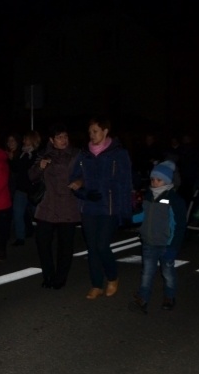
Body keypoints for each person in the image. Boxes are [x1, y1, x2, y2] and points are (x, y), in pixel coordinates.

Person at [68, 117, 133, 299]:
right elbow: (73, 180)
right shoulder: (84, 154)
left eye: (95, 131)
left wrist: (126, 211)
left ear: (105, 131)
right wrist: (83, 192)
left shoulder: (118, 154)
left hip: (109, 208)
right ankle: (96, 284)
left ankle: (112, 277)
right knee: (92, 247)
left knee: (102, 245)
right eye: (90, 132)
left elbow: (125, 183)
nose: (92, 135)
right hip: (88, 207)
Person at [129, 161, 187, 313]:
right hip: (149, 242)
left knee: (168, 273)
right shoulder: (149, 196)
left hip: (166, 244)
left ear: (167, 181)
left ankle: (169, 296)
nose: (155, 182)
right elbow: (144, 214)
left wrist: (173, 247)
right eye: (153, 179)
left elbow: (179, 226)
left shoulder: (174, 200)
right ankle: (143, 298)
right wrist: (129, 218)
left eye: (159, 179)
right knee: (147, 272)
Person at [28, 124, 80, 289]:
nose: (64, 140)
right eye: (59, 137)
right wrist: (39, 167)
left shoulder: (77, 155)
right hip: (47, 205)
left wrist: (81, 182)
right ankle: (48, 275)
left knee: (65, 245)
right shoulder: (44, 154)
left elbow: (87, 174)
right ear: (51, 140)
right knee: (43, 243)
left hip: (68, 204)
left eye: (65, 136)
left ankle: (60, 277)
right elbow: (31, 177)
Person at [8, 132, 37, 246]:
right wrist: (12, 160)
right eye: (24, 139)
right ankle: (20, 237)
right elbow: (17, 169)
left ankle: (41, 236)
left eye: (26, 139)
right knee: (18, 214)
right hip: (21, 189)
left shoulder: (36, 154)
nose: (24, 141)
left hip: (33, 189)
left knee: (37, 215)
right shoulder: (22, 153)